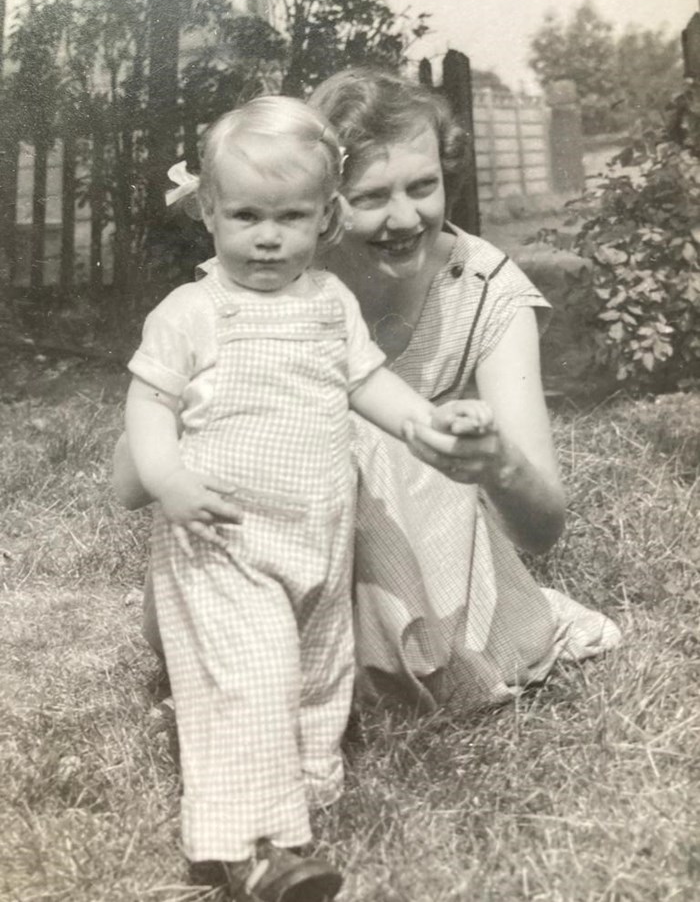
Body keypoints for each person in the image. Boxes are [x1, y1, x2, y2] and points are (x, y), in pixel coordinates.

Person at [115, 70, 620, 711]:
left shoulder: (487, 291)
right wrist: (191, 383)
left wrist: (496, 460)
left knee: (368, 435)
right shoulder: (266, 271)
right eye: (373, 196)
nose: (405, 217)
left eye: (423, 186)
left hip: (419, 576)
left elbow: (543, 529)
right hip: (261, 554)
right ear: (326, 205)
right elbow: (131, 485)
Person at [122, 94, 497, 902]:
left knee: (314, 673)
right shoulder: (193, 311)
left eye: (290, 217)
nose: (267, 236)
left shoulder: (328, 303)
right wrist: (171, 480)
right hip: (221, 535)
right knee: (251, 671)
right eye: (246, 215)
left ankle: (297, 781)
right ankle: (255, 847)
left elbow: (367, 382)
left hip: (317, 532)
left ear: (325, 218)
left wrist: (428, 421)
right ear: (210, 214)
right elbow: (147, 409)